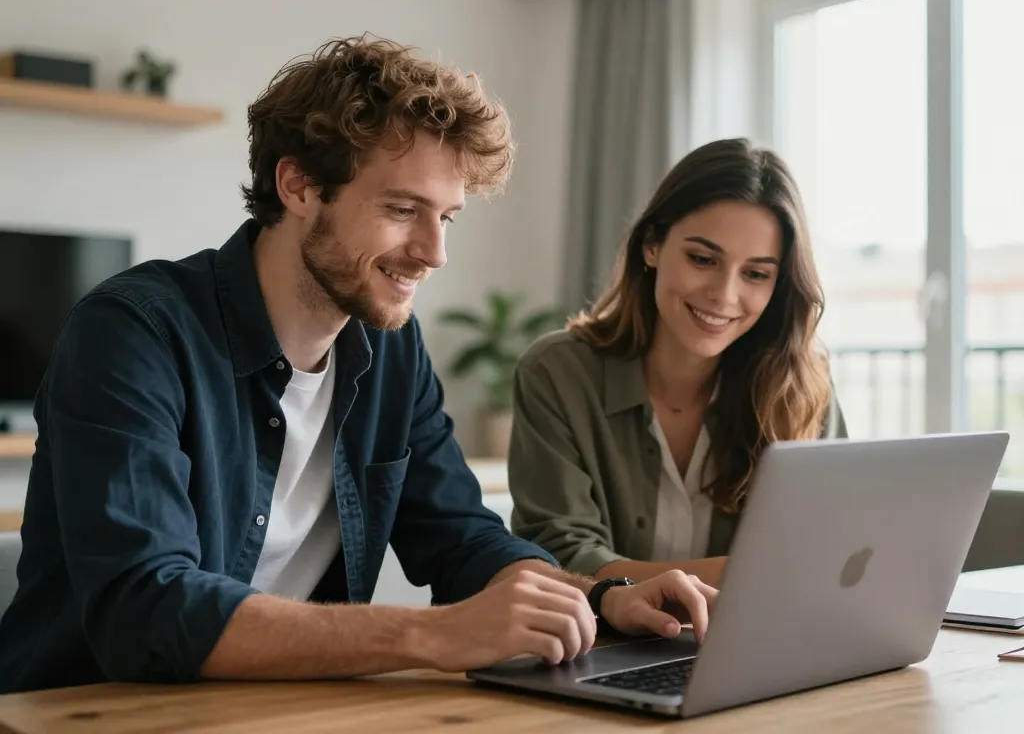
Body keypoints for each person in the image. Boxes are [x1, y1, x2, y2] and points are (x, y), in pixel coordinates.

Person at [0, 35, 717, 694]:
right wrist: (430, 635)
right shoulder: (134, 332)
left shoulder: (391, 347)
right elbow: (146, 608)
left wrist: (597, 599)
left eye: (447, 217)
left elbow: (462, 538)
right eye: (403, 210)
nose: (434, 252)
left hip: (278, 710)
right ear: (298, 186)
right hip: (89, 711)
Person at [507, 137, 848, 587]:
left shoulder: (802, 388)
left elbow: (832, 548)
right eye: (703, 259)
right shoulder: (557, 374)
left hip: (762, 632)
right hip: (597, 631)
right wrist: (739, 575)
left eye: (756, 274)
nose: (724, 295)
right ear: (652, 245)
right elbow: (561, 557)